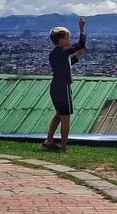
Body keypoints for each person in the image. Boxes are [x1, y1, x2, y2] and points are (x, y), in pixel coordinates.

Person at [42, 17, 87, 153]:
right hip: (63, 88)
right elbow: (81, 43)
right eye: (68, 38)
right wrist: (81, 28)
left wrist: (80, 53)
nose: (69, 40)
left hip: (55, 87)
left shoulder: (54, 54)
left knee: (59, 114)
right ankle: (63, 148)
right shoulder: (64, 51)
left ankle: (49, 140)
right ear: (61, 40)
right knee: (65, 118)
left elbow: (68, 63)